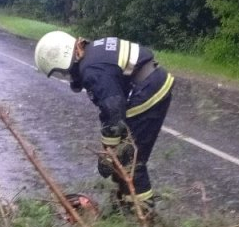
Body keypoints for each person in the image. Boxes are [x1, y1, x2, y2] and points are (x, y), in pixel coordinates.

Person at [34, 30, 174, 214]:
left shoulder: (91, 70)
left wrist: (108, 155)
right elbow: (114, 106)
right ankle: (125, 206)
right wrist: (111, 152)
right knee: (124, 157)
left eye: (62, 72)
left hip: (148, 91)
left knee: (131, 163)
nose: (67, 77)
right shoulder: (93, 53)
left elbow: (113, 111)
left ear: (64, 60)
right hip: (151, 83)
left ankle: (142, 219)